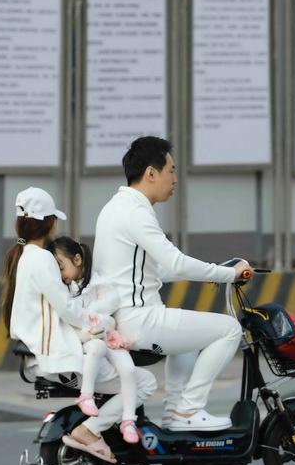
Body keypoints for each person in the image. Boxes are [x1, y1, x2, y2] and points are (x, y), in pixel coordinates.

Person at [93, 136, 250, 431]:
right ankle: (188, 409)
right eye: (172, 170)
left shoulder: (115, 207)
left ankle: (174, 413)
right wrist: (228, 274)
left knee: (188, 341)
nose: (175, 179)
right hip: (139, 321)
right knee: (230, 329)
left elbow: (157, 271)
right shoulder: (136, 213)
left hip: (121, 319)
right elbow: (176, 262)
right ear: (151, 173)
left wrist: (214, 271)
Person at [1, 187, 156, 462]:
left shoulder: (24, 256)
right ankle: (90, 430)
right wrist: (104, 320)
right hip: (56, 357)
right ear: (50, 223)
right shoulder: (42, 259)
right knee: (145, 382)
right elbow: (69, 311)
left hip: (42, 354)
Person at [47, 236, 140, 444]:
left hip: (109, 336)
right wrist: (94, 322)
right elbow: (73, 320)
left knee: (129, 370)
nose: (60, 275)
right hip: (89, 337)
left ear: (77, 259)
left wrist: (96, 315)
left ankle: (128, 420)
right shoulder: (64, 290)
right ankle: (86, 395)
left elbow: (112, 301)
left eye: (61, 267)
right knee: (96, 348)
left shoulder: (98, 282)